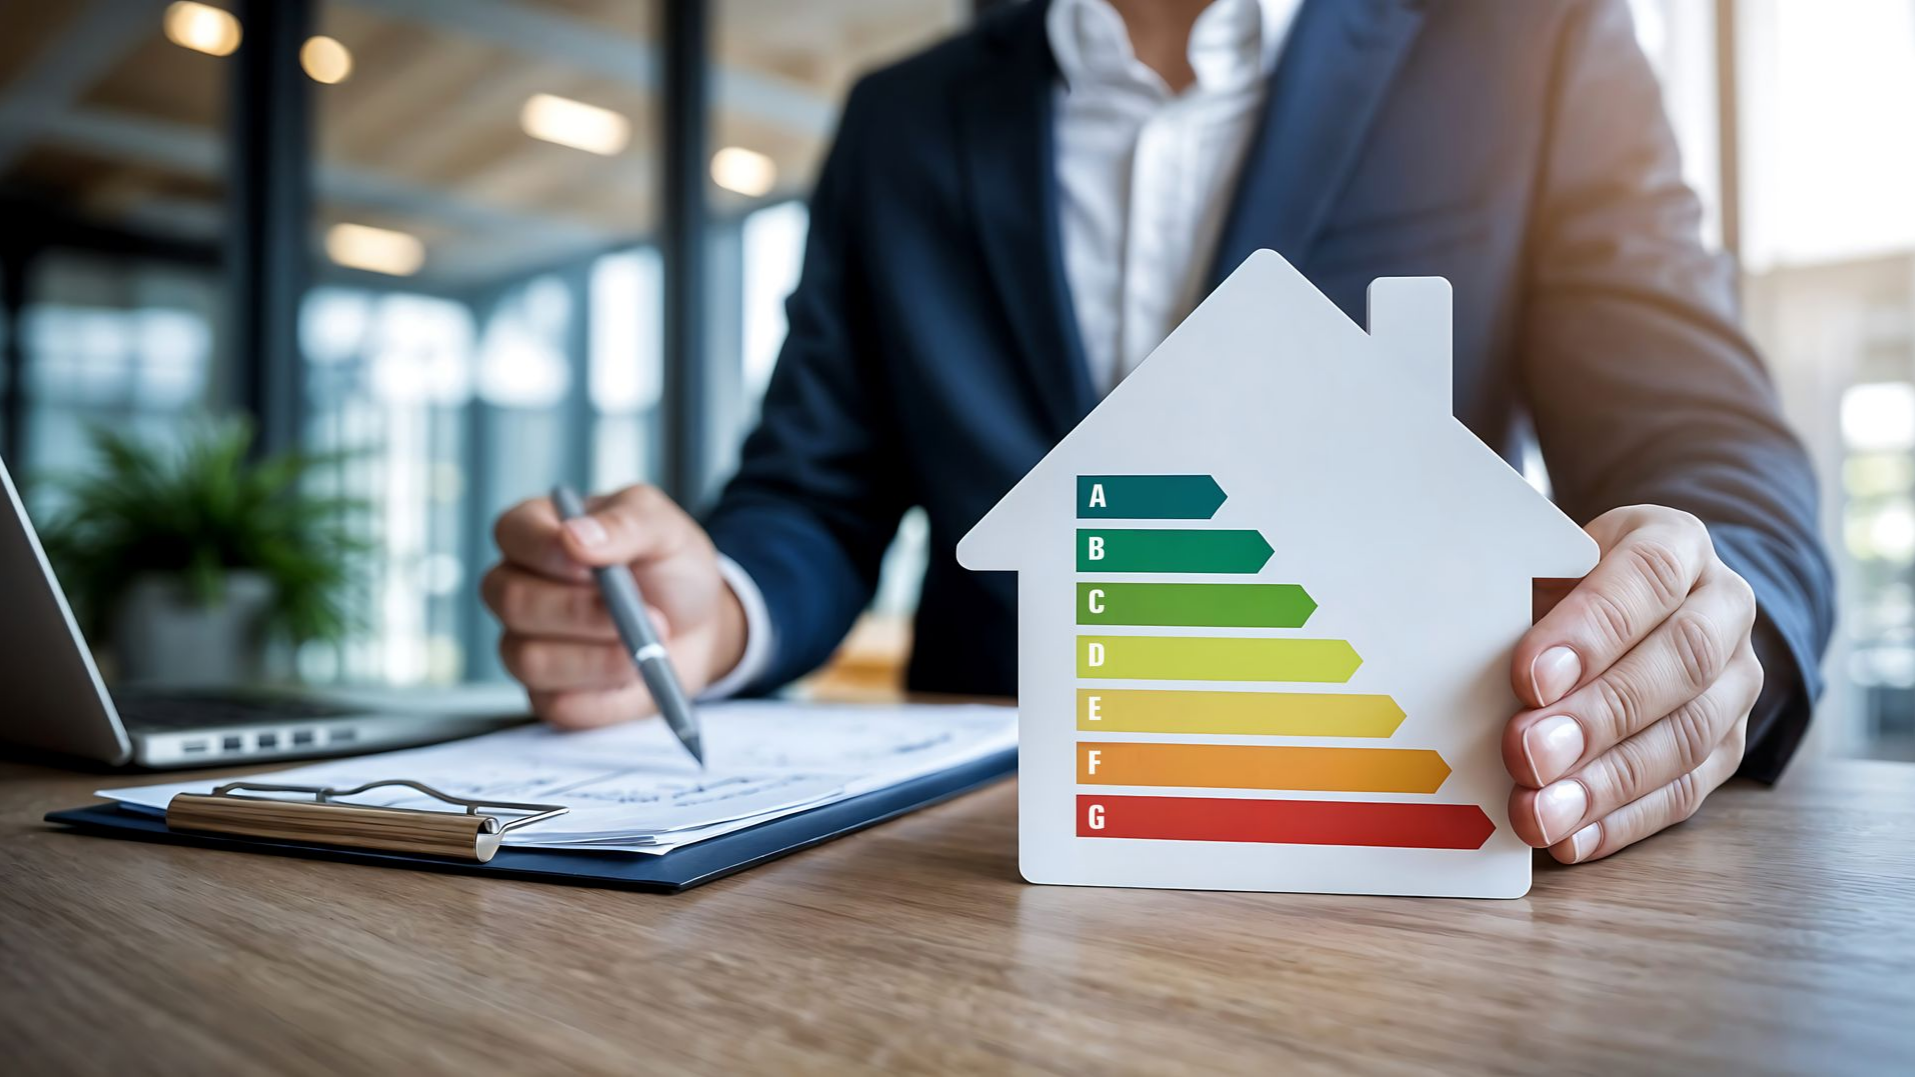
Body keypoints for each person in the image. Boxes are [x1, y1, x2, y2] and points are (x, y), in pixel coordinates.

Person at [483, 0, 1834, 867]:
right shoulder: (904, 119)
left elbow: (1700, 439)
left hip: (1384, 829)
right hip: (971, 867)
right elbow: (812, 489)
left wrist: (1704, 617)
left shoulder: (1526, 44)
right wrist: (714, 607)